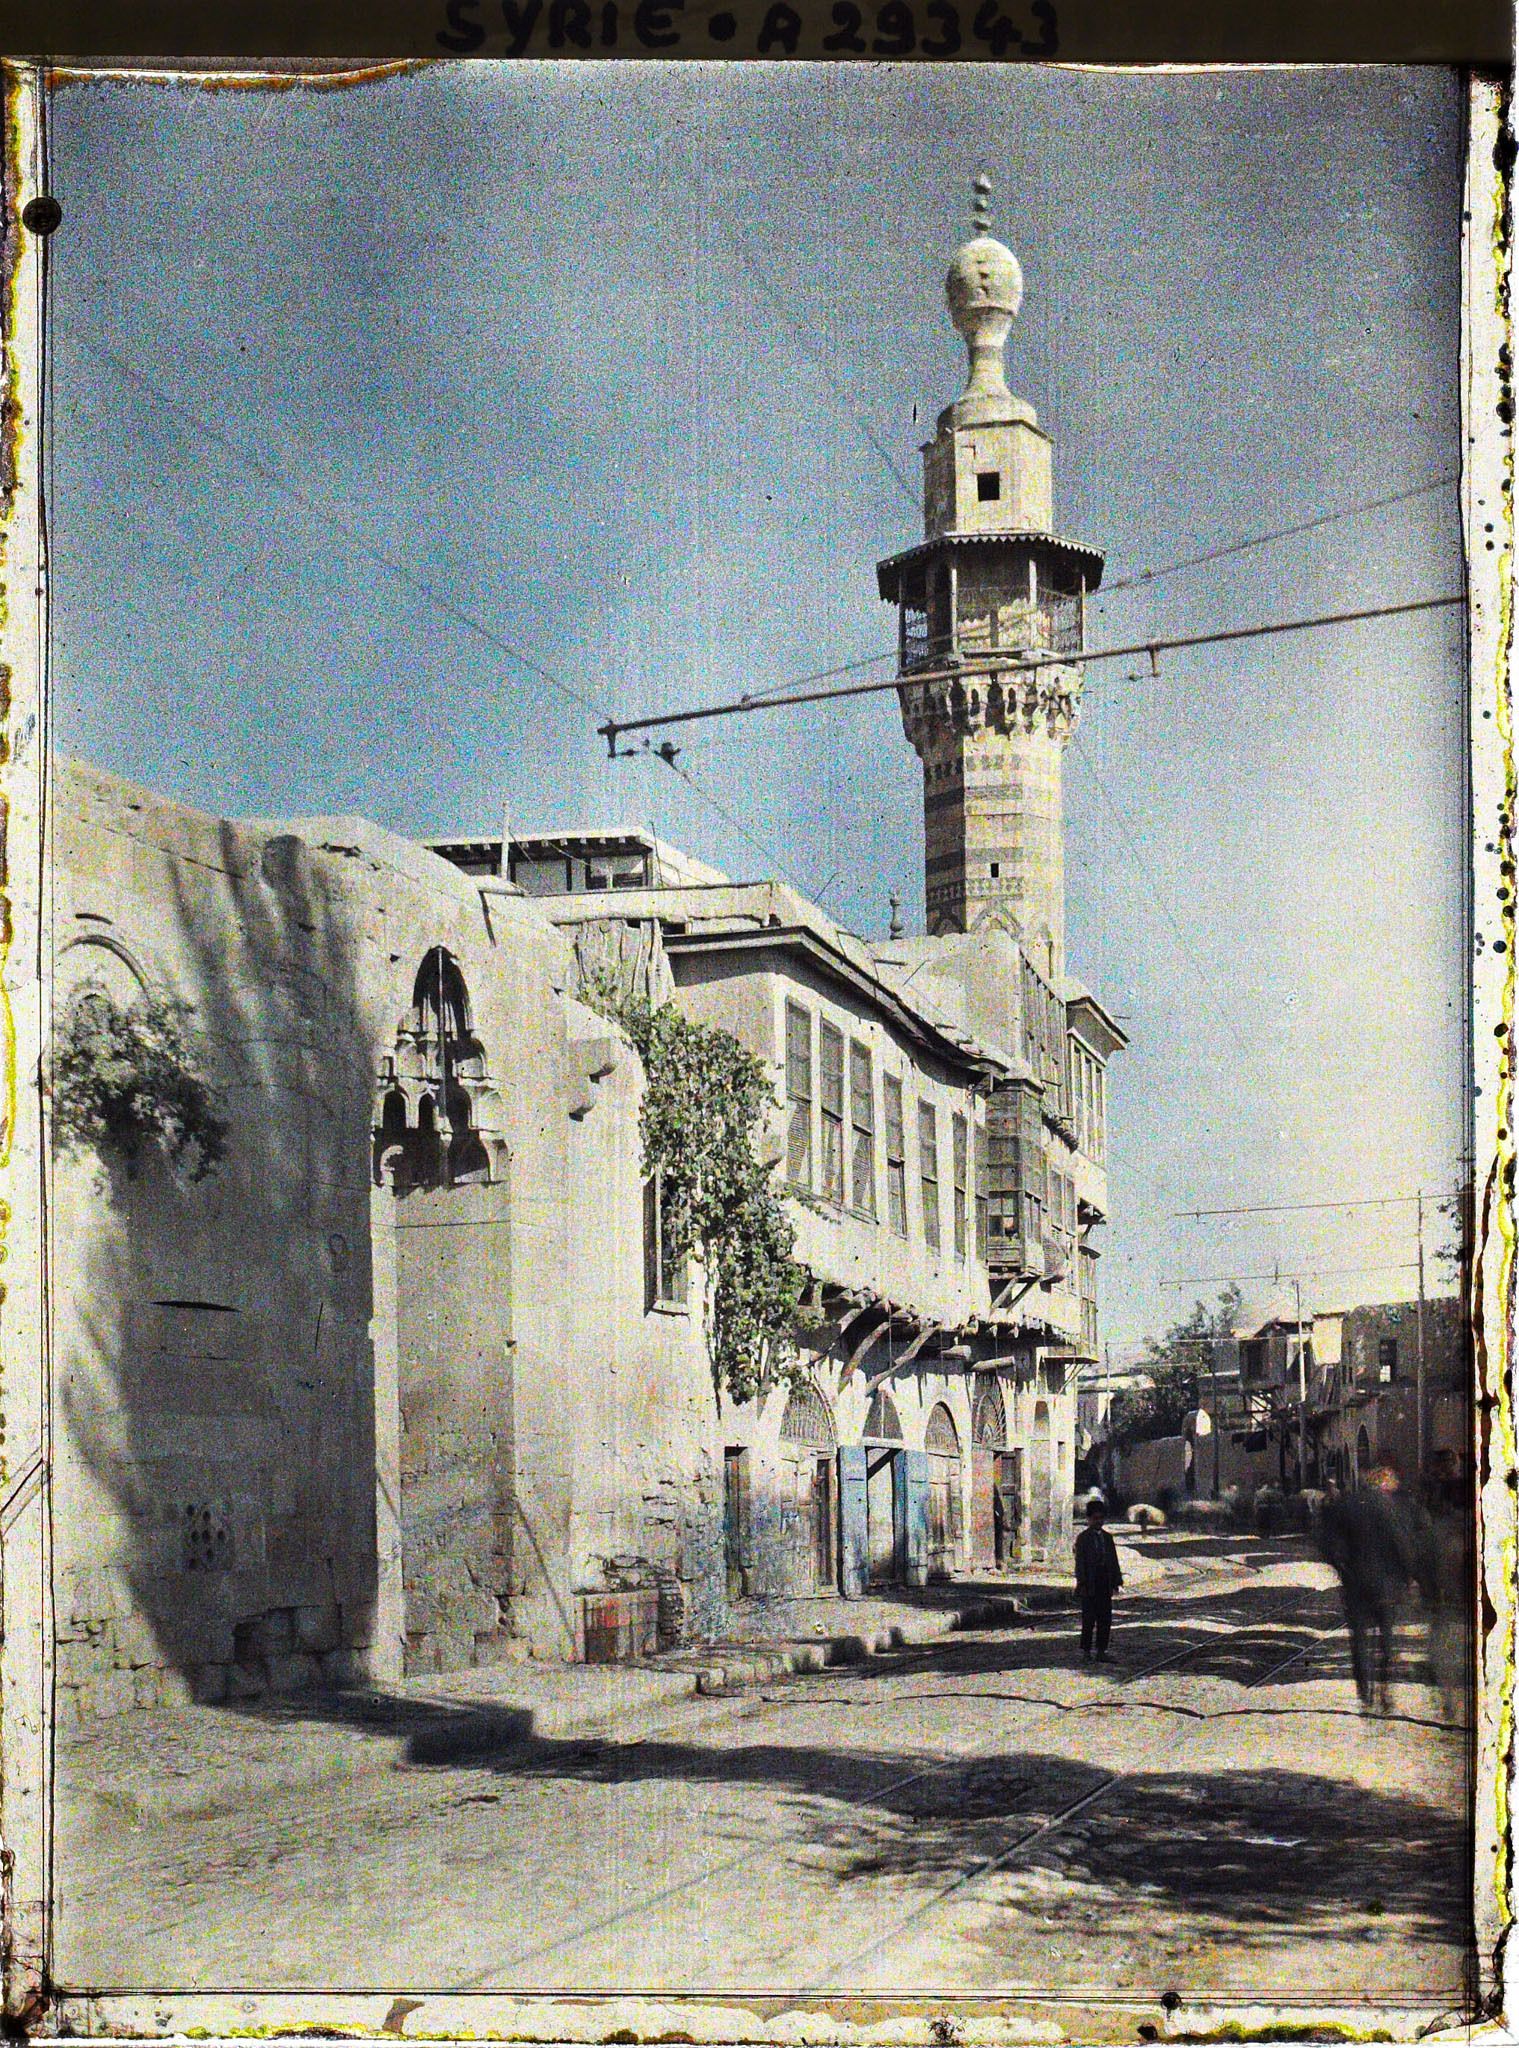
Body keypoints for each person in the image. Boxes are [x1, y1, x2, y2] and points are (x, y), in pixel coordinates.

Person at [1075, 1496, 1124, 1661]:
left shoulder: (1107, 1538)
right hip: (1089, 1582)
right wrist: (1081, 1583)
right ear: (1088, 1519)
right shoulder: (1083, 1538)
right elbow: (1080, 1563)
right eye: (1095, 1518)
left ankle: (1102, 1651)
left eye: (1101, 1518)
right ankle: (1086, 1651)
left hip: (1105, 1582)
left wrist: (1117, 1582)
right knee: (1088, 1619)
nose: (1098, 1521)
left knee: (1105, 1618)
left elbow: (1113, 1560)